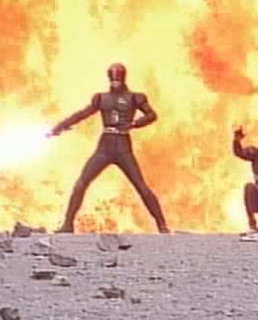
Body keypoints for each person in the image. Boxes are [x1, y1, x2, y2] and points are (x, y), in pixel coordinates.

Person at [48, 63, 170, 233]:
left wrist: (134, 123)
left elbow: (151, 115)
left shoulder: (135, 98)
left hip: (123, 146)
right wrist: (60, 127)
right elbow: (82, 114)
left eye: (118, 77)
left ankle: (162, 225)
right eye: (113, 77)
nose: (115, 80)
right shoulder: (101, 99)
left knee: (140, 186)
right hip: (105, 146)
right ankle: (67, 224)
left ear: (124, 77)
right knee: (81, 182)